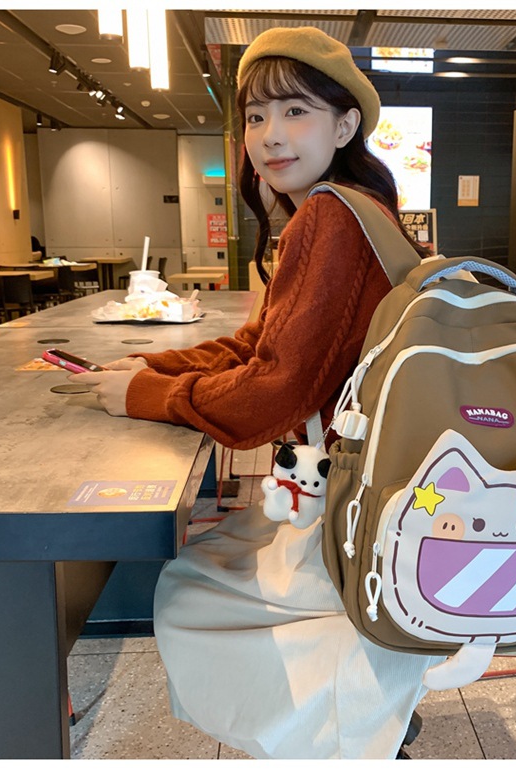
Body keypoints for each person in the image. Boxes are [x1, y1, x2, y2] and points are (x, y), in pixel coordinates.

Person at [70, 26, 440, 759]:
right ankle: (366, 721)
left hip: (342, 503)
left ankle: (353, 731)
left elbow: (272, 391)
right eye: (256, 116)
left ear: (344, 126)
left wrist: (147, 395)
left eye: (296, 111)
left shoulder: (329, 218)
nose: (271, 135)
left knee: (195, 590)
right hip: (373, 493)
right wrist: (151, 368)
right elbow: (258, 345)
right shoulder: (354, 209)